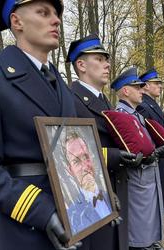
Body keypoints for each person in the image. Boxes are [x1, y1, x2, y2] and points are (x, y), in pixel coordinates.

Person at [0, 0, 81, 249]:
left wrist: (98, 192)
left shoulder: (60, 84)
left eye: (57, 14)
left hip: (73, 217)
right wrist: (39, 210)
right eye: (43, 12)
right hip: (21, 227)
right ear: (16, 22)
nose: (56, 20)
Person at [67, 34, 142, 250]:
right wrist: (113, 156)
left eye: (106, 59)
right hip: (90, 196)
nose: (107, 64)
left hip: (114, 185)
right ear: (81, 65)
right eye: (99, 59)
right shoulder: (71, 99)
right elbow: (69, 153)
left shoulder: (103, 100)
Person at [112, 67, 164, 250]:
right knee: (139, 224)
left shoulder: (136, 115)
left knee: (148, 219)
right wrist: (150, 154)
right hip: (137, 176)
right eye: (137, 87)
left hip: (147, 174)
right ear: (126, 90)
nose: (141, 90)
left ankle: (149, 243)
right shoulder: (122, 115)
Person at [59, 130, 112, 235]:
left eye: (86, 157)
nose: (84, 166)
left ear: (92, 158)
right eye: (76, 162)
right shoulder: (72, 216)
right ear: (70, 170)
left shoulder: (110, 194)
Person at [137, 67, 164, 215]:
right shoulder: (143, 105)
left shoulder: (152, 103)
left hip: (162, 152)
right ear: (145, 86)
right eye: (156, 83)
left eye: (160, 83)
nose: (160, 86)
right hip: (155, 153)